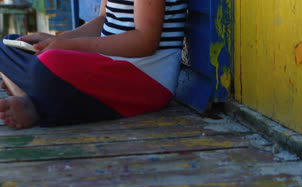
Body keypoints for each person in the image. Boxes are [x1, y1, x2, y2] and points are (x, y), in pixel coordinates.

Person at [0, 0, 187, 129]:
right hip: (109, 65)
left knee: (50, 64)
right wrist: (53, 41)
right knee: (8, 44)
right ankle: (29, 99)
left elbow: (145, 43)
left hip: (148, 78)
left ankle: (30, 97)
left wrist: (67, 47)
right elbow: (102, 21)